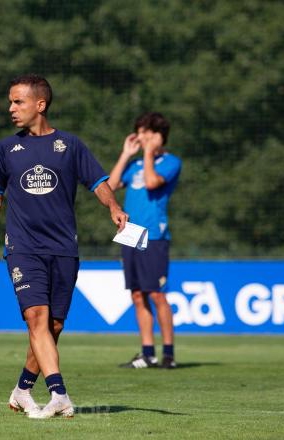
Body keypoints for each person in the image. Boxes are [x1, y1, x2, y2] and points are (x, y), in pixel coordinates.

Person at [0, 74, 128, 418]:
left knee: (53, 326)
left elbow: (98, 181)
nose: (11, 108)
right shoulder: (5, 149)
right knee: (37, 317)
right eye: (10, 101)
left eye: (18, 101)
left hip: (63, 248)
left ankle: (22, 389)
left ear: (40, 105)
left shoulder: (70, 146)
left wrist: (113, 207)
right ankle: (59, 393)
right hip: (22, 247)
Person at [108, 112, 182, 369]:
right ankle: (147, 353)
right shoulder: (135, 165)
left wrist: (149, 153)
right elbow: (111, 185)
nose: (142, 138)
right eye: (140, 133)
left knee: (157, 294)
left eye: (147, 133)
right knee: (138, 295)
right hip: (130, 234)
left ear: (159, 136)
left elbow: (152, 183)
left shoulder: (170, 162)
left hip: (154, 235)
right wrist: (126, 154)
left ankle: (169, 354)